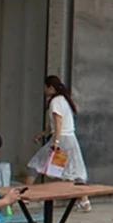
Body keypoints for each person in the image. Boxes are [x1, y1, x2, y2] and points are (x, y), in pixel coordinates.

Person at [26, 75, 91, 211]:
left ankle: (26, 195)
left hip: (61, 140)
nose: (44, 90)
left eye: (45, 87)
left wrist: (55, 142)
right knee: (73, 171)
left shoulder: (55, 102)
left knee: (35, 164)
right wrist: (42, 135)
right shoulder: (64, 100)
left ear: (50, 87)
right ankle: (85, 201)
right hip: (70, 139)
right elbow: (53, 126)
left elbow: (58, 123)